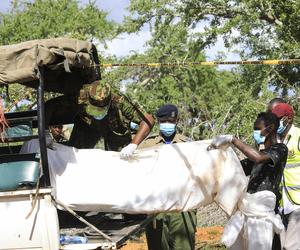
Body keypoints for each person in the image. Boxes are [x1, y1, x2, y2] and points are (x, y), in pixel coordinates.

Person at [210, 112, 287, 250]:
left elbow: (258, 158)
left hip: (261, 218)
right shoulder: (260, 155)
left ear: (270, 128)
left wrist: (233, 140)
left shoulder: (280, 149)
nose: (255, 132)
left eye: (258, 128)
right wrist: (218, 154)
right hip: (247, 215)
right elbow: (236, 168)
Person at [45, 80, 155, 158]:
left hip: (114, 129)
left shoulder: (118, 99)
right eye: (95, 108)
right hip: (86, 126)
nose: (97, 112)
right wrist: (45, 132)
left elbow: (148, 119)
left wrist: (133, 145)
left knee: (121, 160)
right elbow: (50, 105)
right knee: (71, 156)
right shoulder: (80, 95)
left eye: (101, 109)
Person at [139, 104, 197, 250]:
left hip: (182, 207)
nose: (168, 125)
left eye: (171, 121)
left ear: (177, 120)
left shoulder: (188, 144)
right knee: (158, 246)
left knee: (183, 247)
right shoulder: (147, 145)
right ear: (158, 122)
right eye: (164, 122)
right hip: (155, 207)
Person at [271, 103, 300, 250]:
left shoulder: (298, 136)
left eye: (277, 119)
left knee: (290, 246)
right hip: (283, 201)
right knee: (282, 245)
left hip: (298, 202)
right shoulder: (277, 139)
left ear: (288, 119)